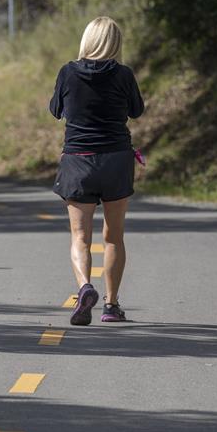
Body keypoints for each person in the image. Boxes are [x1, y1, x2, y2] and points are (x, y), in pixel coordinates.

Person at [49, 16, 144, 325]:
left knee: (80, 236)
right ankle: (111, 305)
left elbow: (56, 111)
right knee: (114, 236)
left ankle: (85, 287)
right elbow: (136, 110)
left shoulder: (67, 72)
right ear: (115, 43)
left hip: (78, 160)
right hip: (116, 160)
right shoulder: (124, 75)